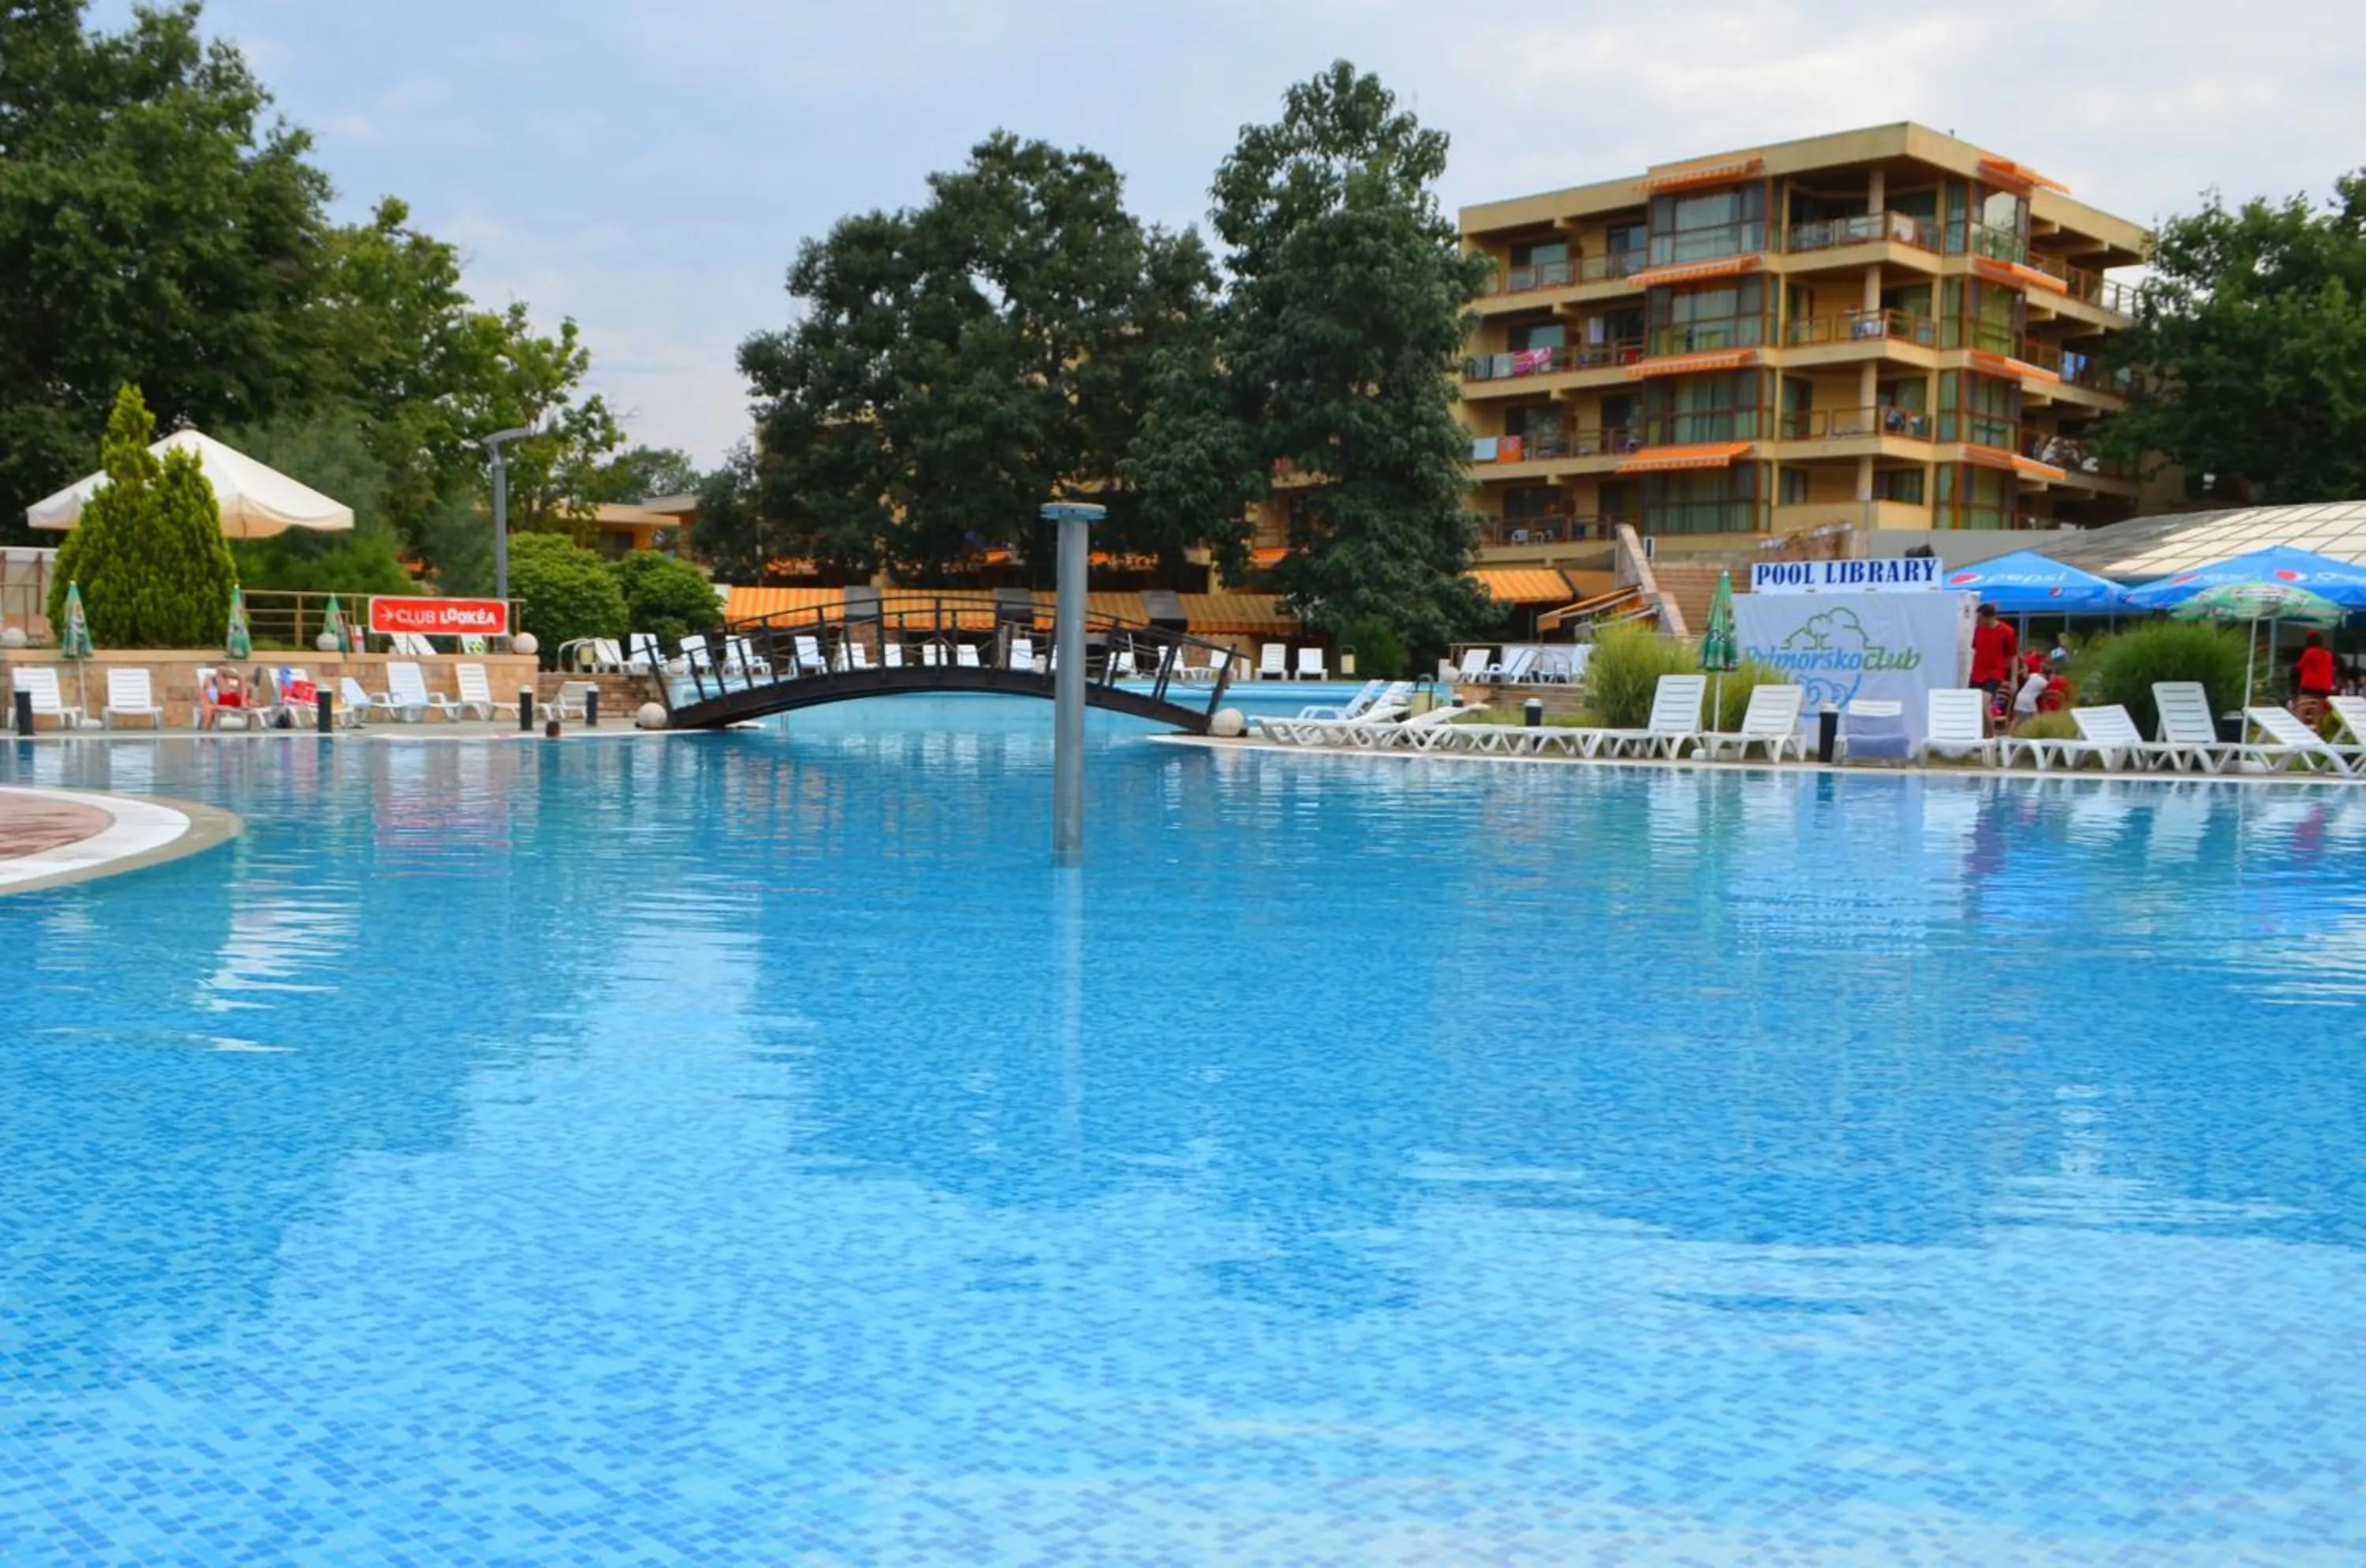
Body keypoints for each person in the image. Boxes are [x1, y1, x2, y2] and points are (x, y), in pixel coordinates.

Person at [1969, 603, 2018, 726]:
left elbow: (2013, 656)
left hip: (1995, 673)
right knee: (1977, 707)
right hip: (1977, 673)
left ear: (1987, 617)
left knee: (1984, 703)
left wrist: (2014, 680)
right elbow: (1973, 649)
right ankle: (1983, 734)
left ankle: (1990, 737)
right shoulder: (1977, 630)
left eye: (1980, 618)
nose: (1978, 621)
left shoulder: (2007, 632)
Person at [2294, 631, 2338, 724]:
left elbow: (2300, 667)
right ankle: (2317, 730)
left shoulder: (2309, 652)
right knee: (2317, 715)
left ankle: (2298, 728)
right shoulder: (2328, 654)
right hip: (2324, 687)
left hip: (2309, 685)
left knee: (2301, 711)